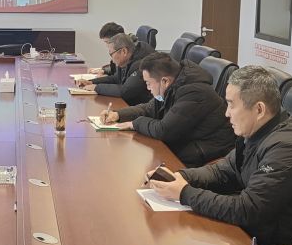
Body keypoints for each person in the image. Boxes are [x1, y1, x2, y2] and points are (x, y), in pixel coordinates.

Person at [149, 65, 292, 245]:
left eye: (231, 104)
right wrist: (181, 177)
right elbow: (224, 170)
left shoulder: (285, 148)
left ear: (259, 110)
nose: (226, 113)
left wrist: (185, 193)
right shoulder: (257, 129)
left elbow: (248, 209)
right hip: (248, 231)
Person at [100, 52, 233, 166]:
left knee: (143, 162)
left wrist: (134, 123)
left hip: (206, 152)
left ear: (165, 81)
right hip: (187, 142)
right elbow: (148, 108)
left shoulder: (194, 93)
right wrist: (118, 114)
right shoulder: (174, 85)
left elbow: (163, 130)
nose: (148, 88)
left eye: (148, 83)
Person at [78, 33, 153, 104]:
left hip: (142, 107)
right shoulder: (127, 59)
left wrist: (96, 88)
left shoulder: (142, 64)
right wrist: (91, 82)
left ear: (124, 51)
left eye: (111, 54)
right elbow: (116, 78)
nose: (112, 59)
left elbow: (126, 91)